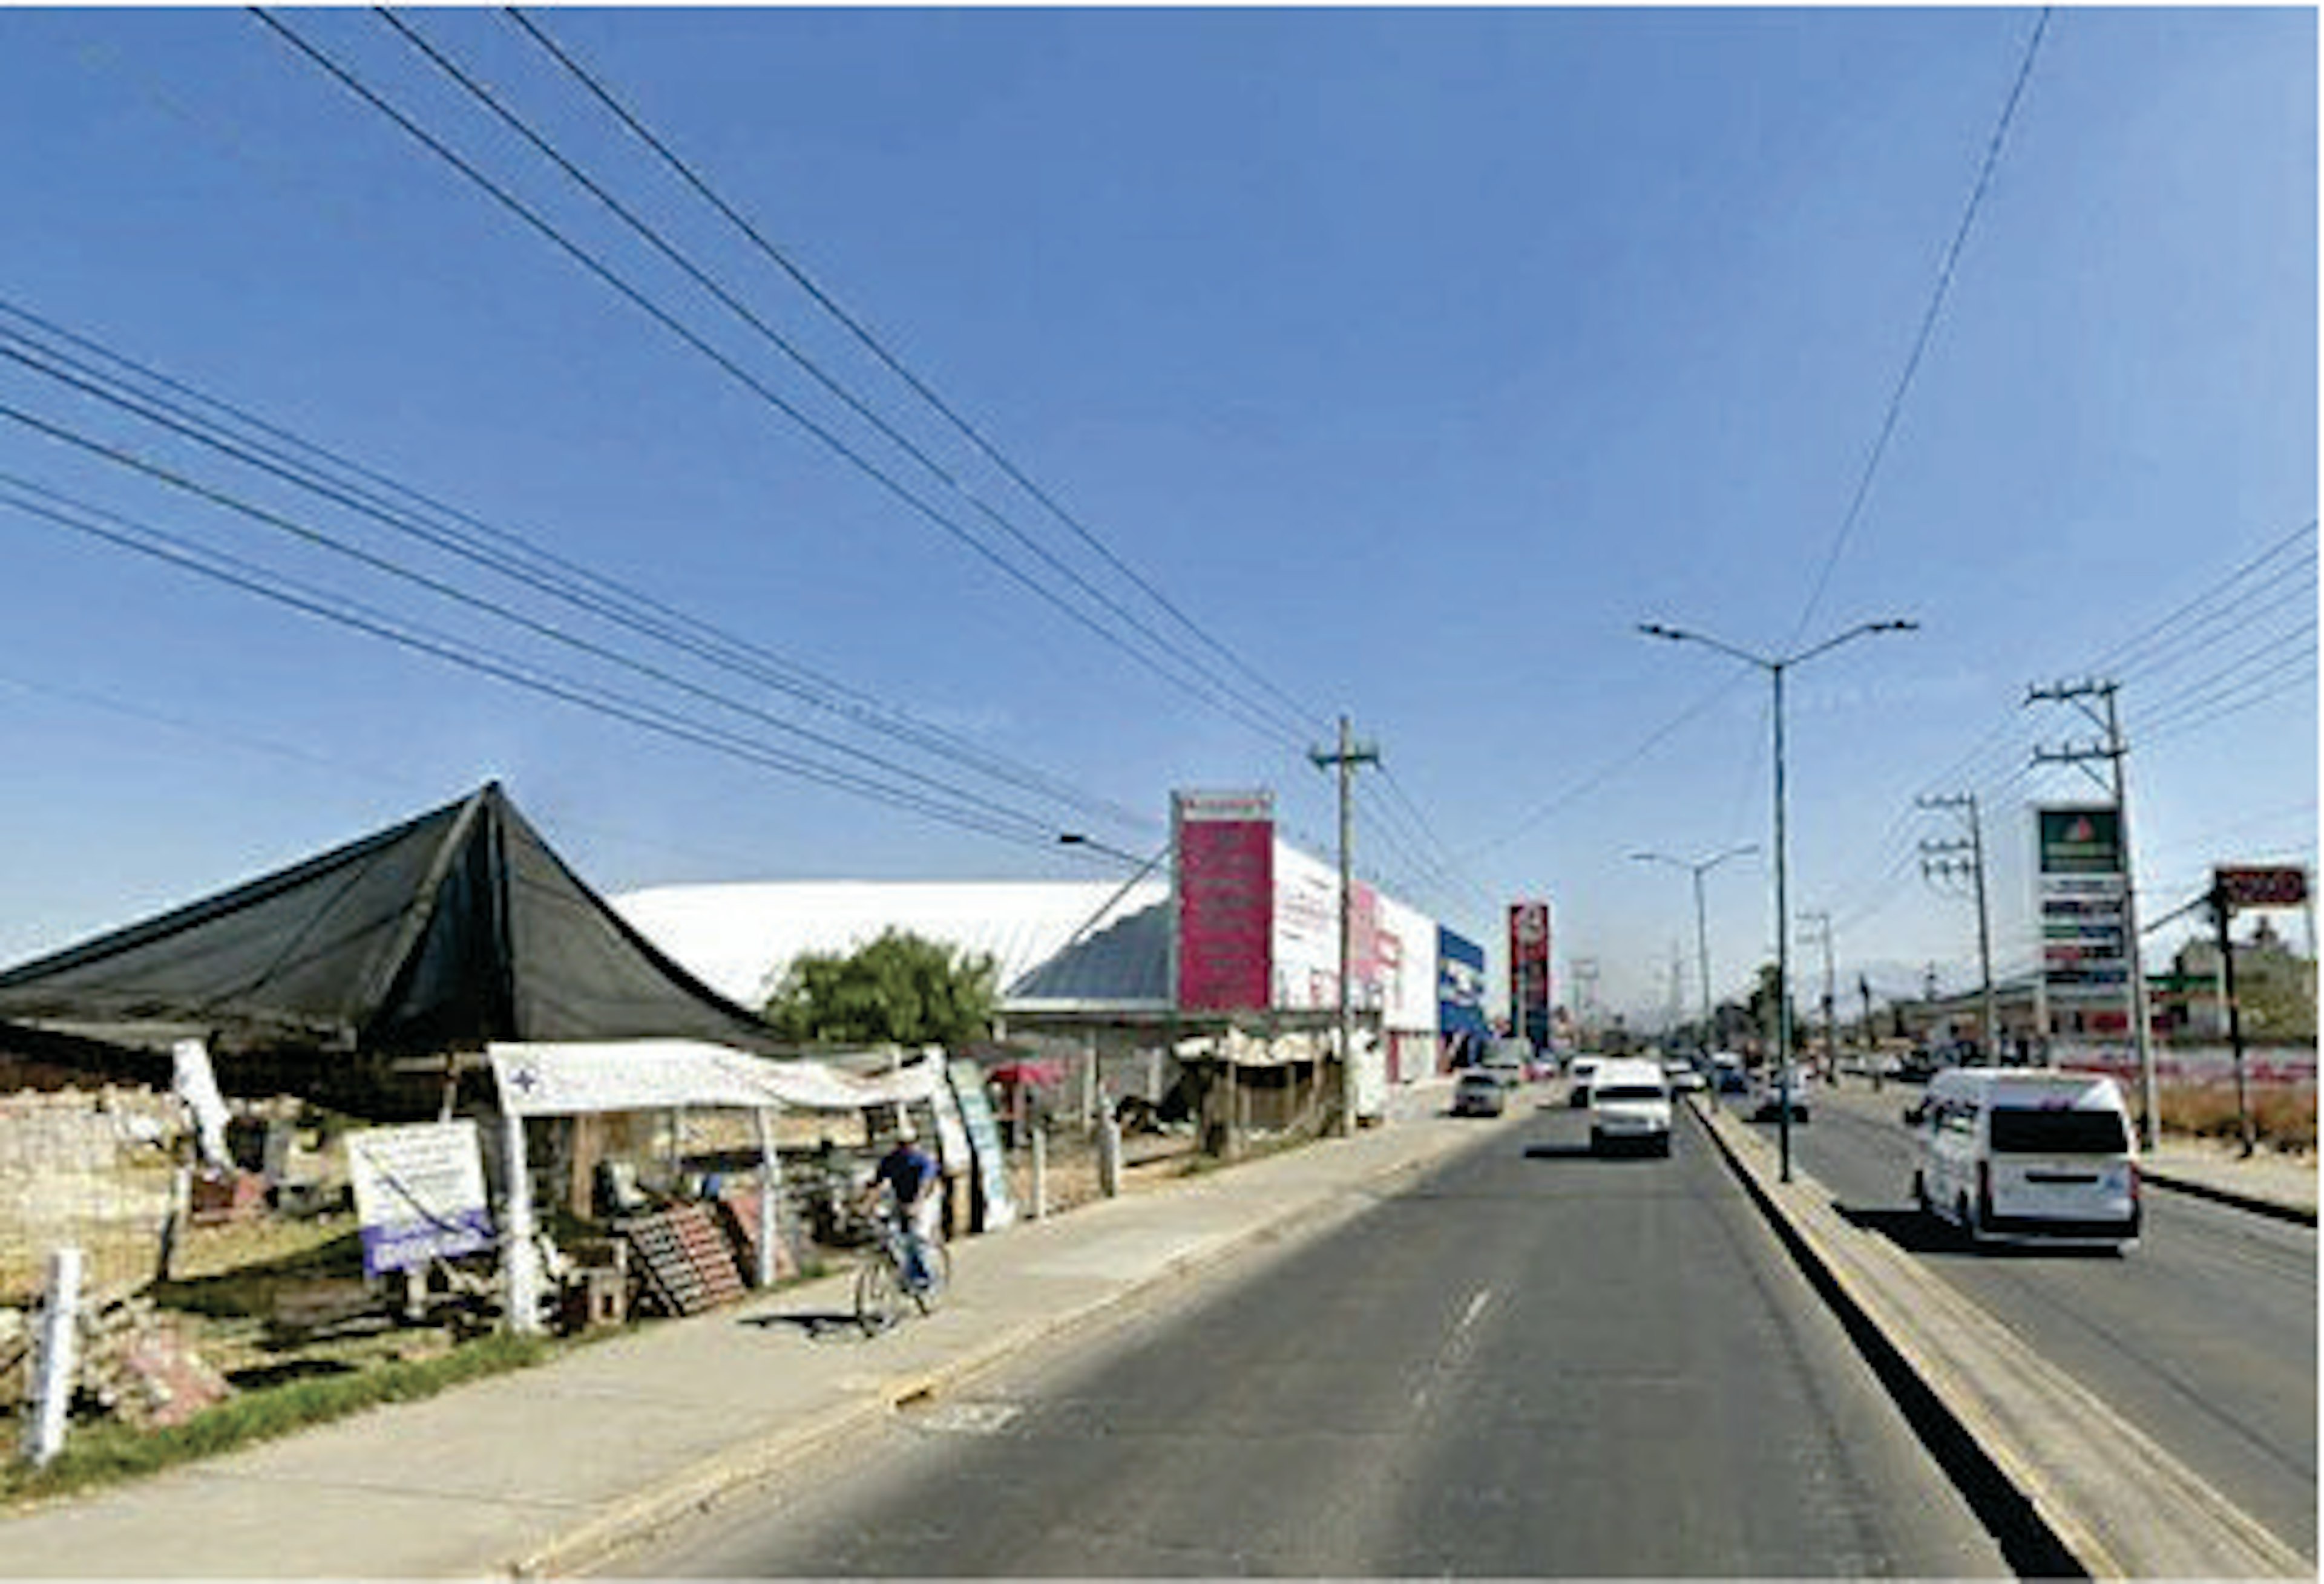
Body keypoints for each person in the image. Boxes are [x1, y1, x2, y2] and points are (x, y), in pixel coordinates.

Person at [864, 1118, 941, 1289]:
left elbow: (926, 1184)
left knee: (918, 1236)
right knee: (893, 1235)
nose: (906, 1147)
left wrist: (918, 1205)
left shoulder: (923, 1160)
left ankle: (926, 1277)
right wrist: (867, 1205)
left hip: (926, 1199)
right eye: (902, 1144)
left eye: (909, 1143)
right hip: (902, 1199)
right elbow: (878, 1183)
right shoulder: (891, 1161)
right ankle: (905, 1273)